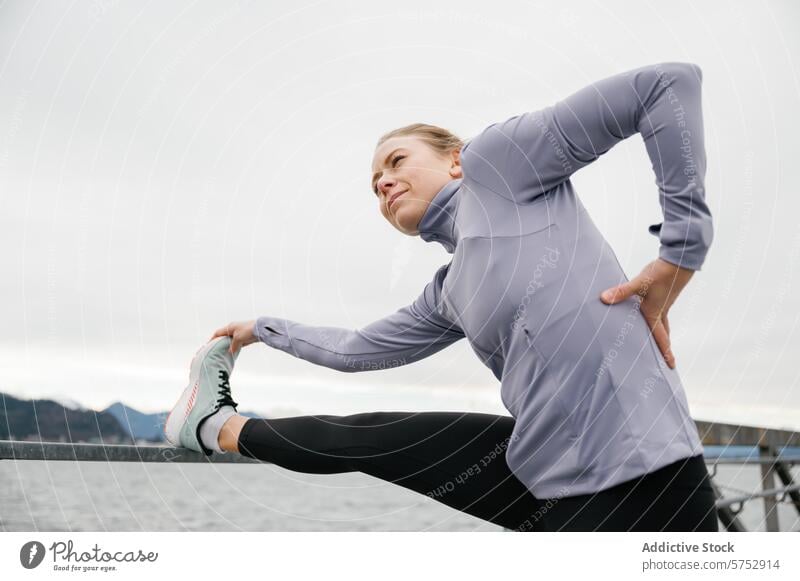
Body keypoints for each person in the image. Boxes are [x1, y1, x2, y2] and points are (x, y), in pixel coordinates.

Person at [164, 61, 719, 532]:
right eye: (373, 182)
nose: (382, 182)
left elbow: (667, 85)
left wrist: (680, 252)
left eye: (396, 161)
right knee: (376, 436)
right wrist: (262, 329)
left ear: (453, 159)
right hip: (548, 487)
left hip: (656, 480)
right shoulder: (449, 292)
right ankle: (214, 426)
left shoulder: (500, 164)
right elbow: (356, 349)